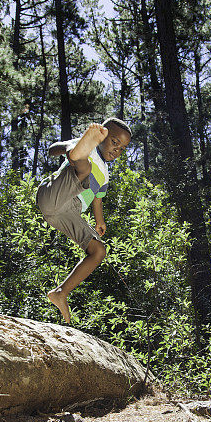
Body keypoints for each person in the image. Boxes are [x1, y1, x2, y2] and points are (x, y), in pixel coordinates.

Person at [36, 118, 132, 323]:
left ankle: (60, 293)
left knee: (99, 251)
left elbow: (98, 200)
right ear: (103, 136)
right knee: (84, 167)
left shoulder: (105, 176)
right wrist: (72, 146)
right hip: (53, 194)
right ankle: (77, 154)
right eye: (114, 142)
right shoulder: (84, 147)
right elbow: (53, 149)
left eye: (122, 149)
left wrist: (100, 221)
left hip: (68, 213)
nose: (117, 150)